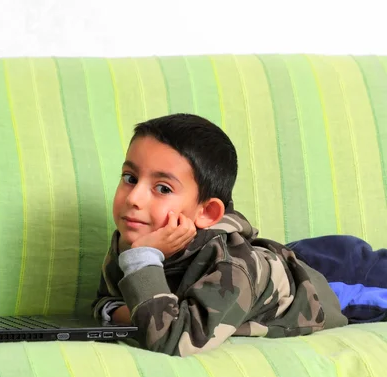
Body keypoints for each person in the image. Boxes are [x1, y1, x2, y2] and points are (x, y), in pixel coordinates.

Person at [92, 113, 387, 357]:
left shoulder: (227, 268)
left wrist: (143, 270)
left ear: (206, 213)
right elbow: (106, 304)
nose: (134, 199)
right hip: (279, 262)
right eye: (130, 178)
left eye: (163, 188)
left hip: (329, 285)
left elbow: (174, 338)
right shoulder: (136, 236)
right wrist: (144, 297)